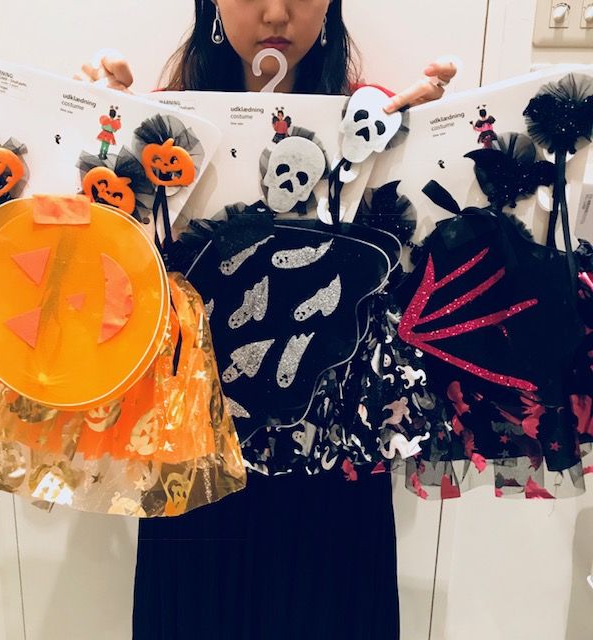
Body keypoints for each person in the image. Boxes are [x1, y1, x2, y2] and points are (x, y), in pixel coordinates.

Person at [79, 2, 456, 639]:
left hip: (334, 468)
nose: (276, 12)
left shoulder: (373, 125)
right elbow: (101, 293)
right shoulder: (163, 133)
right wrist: (99, 137)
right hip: (197, 461)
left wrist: (437, 139)